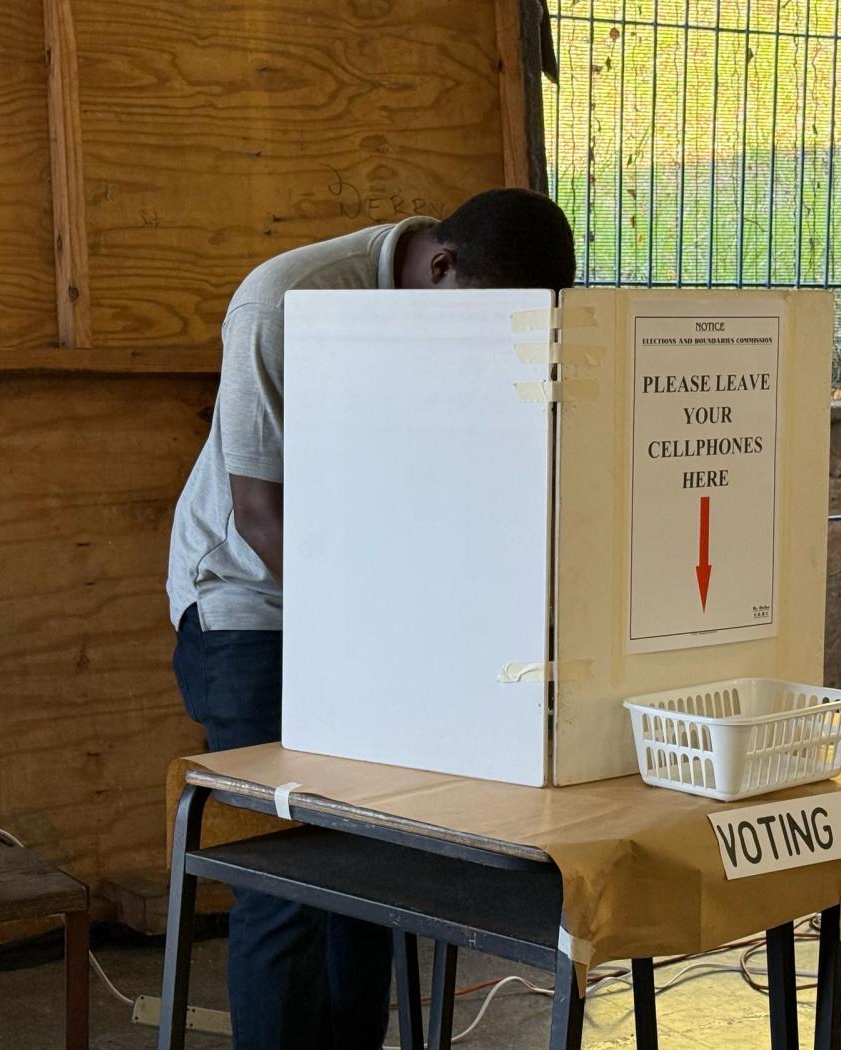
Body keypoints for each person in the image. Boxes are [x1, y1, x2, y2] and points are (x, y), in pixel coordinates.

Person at [167, 187, 576, 1050]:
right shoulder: (283, 300)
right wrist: (379, 633)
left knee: (373, 882)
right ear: (441, 265)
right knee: (286, 887)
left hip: (379, 611)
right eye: (483, 317)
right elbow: (260, 513)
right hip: (253, 608)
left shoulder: (475, 308)